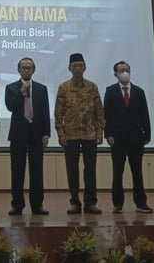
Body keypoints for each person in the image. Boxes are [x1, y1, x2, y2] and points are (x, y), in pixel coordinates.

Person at [54, 53, 105, 214]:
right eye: (74, 65)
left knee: (90, 170)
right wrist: (60, 134)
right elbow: (58, 113)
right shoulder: (64, 87)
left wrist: (100, 132)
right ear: (69, 68)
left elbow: (99, 112)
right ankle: (74, 202)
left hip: (90, 134)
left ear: (85, 67)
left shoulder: (92, 87)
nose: (77, 68)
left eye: (80, 65)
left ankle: (90, 202)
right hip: (70, 135)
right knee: (72, 170)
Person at [103, 61, 154, 214]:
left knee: (137, 171)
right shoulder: (110, 91)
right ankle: (117, 203)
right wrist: (108, 134)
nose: (124, 73)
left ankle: (141, 202)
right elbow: (107, 115)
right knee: (117, 171)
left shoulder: (139, 91)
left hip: (136, 137)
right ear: (115, 74)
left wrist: (147, 134)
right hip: (117, 138)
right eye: (121, 70)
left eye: (126, 70)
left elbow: (145, 114)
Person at [5, 57, 51, 216]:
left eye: (29, 67)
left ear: (33, 70)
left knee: (36, 171)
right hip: (18, 135)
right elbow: (11, 106)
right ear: (18, 70)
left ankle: (37, 205)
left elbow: (45, 112)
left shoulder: (41, 89)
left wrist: (46, 133)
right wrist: (22, 92)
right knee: (17, 171)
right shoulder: (11, 88)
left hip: (37, 135)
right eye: (23, 68)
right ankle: (17, 204)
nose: (26, 70)